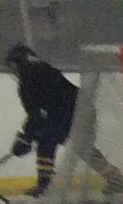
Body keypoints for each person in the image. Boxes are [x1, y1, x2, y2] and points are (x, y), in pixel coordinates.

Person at [5, 47, 83, 196]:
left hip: (66, 113)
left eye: (13, 66)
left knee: (46, 145)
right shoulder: (44, 70)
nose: (14, 71)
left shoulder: (28, 80)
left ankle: (45, 186)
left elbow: (36, 114)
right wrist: (30, 134)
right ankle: (114, 177)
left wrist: (27, 137)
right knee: (81, 145)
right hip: (80, 109)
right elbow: (41, 114)